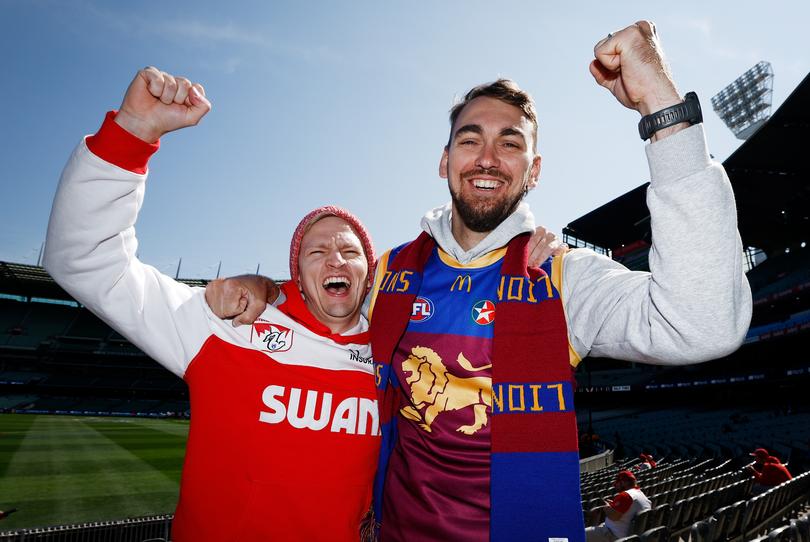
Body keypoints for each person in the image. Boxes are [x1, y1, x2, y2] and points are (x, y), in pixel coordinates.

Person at [206, 21, 752, 541]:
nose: (488, 158)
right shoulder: (389, 274)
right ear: (444, 162)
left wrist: (661, 105)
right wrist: (264, 286)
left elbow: (704, 326)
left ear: (534, 170)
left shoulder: (560, 276)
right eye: (470, 141)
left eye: (510, 143)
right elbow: (318, 296)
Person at [43, 68, 382, 542]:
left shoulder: (395, 357)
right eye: (316, 251)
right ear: (298, 277)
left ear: (369, 272)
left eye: (349, 251)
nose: (335, 260)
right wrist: (133, 134)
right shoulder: (227, 325)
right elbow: (86, 260)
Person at [586, 470, 652, 541]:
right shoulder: (642, 495)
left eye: (617, 482)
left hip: (614, 535)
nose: (615, 485)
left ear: (624, 482)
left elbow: (614, 517)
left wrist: (606, 507)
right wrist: (613, 505)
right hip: (632, 536)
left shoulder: (626, 495)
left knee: (580, 533)